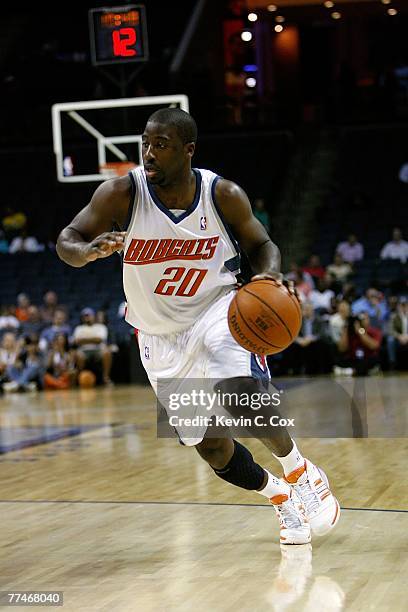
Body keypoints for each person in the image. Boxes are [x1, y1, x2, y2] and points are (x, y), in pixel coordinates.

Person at [56, 107, 340, 546]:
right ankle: (280, 495)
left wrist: (269, 275)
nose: (149, 153)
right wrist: (87, 250)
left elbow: (263, 244)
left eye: (162, 145)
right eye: (146, 144)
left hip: (218, 311)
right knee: (213, 448)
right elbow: (67, 240)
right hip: (157, 334)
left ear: (188, 150)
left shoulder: (221, 193)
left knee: (237, 391)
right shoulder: (121, 194)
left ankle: (301, 471)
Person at [72, 307, 112, 386]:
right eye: (85, 316)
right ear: (82, 318)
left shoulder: (101, 327)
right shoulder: (79, 328)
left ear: (94, 316)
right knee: (78, 355)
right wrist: (93, 339)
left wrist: (84, 339)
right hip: (83, 350)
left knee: (107, 353)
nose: (87, 317)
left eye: (89, 315)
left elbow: (100, 340)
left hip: (98, 349)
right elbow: (77, 341)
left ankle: (105, 377)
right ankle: (80, 378)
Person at [337, 312, 382, 376]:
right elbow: (341, 348)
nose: (361, 321)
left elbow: (374, 346)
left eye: (364, 319)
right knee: (340, 359)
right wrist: (346, 329)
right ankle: (353, 371)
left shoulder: (374, 331)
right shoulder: (350, 332)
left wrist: (359, 330)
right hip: (353, 359)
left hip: (368, 358)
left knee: (367, 362)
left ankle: (349, 371)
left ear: (368, 320)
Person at [387, 297, 408, 370]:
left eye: (405, 305)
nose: (403, 307)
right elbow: (390, 330)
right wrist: (399, 336)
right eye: (402, 305)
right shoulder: (394, 316)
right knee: (390, 340)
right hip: (399, 338)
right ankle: (392, 362)